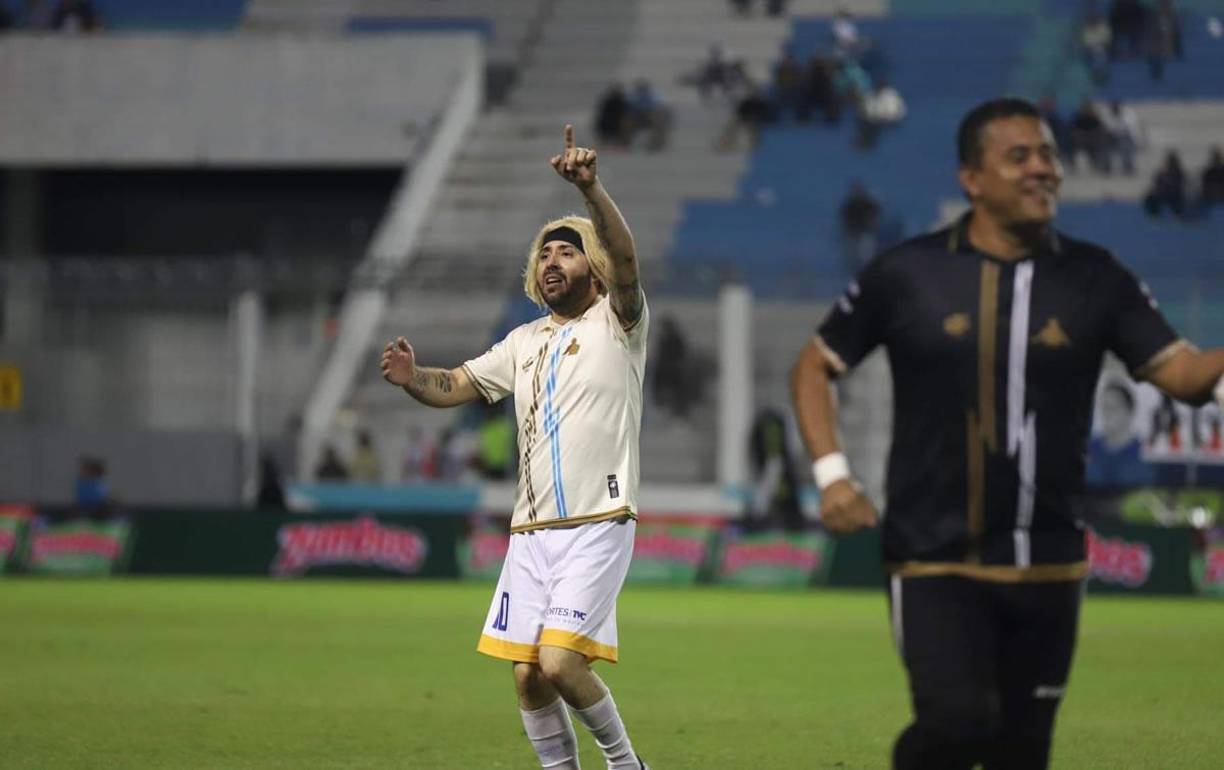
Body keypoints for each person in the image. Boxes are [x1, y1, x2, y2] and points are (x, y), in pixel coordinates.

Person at [790, 97, 1224, 770]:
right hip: (935, 557)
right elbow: (815, 365)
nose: (1042, 168)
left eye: (1048, 154)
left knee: (1022, 753)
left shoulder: (1096, 276)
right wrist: (831, 474)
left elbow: (1188, 375)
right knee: (959, 724)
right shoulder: (909, 273)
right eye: (1019, 155)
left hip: (1051, 558)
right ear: (972, 178)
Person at [380, 124, 650, 770]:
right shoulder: (523, 342)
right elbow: (459, 384)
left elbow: (628, 263)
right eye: (544, 255)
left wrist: (588, 190)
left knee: (559, 661)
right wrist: (414, 378)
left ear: (593, 265)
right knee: (527, 675)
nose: (550, 262)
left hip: (596, 522)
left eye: (566, 252)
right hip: (531, 533)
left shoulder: (618, 322)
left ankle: (627, 765)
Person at [1086, 380, 1156, 488]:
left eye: (1113, 407)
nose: (1107, 413)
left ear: (1129, 412)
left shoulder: (1144, 450)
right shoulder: (1089, 447)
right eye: (1104, 407)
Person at [1143, 150, 1187, 218]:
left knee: (1179, 199)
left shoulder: (1179, 173)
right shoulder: (1162, 173)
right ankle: (1153, 214)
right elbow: (1156, 184)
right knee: (1150, 198)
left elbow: (1182, 184)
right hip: (1162, 195)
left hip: (1175, 196)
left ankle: (1178, 214)